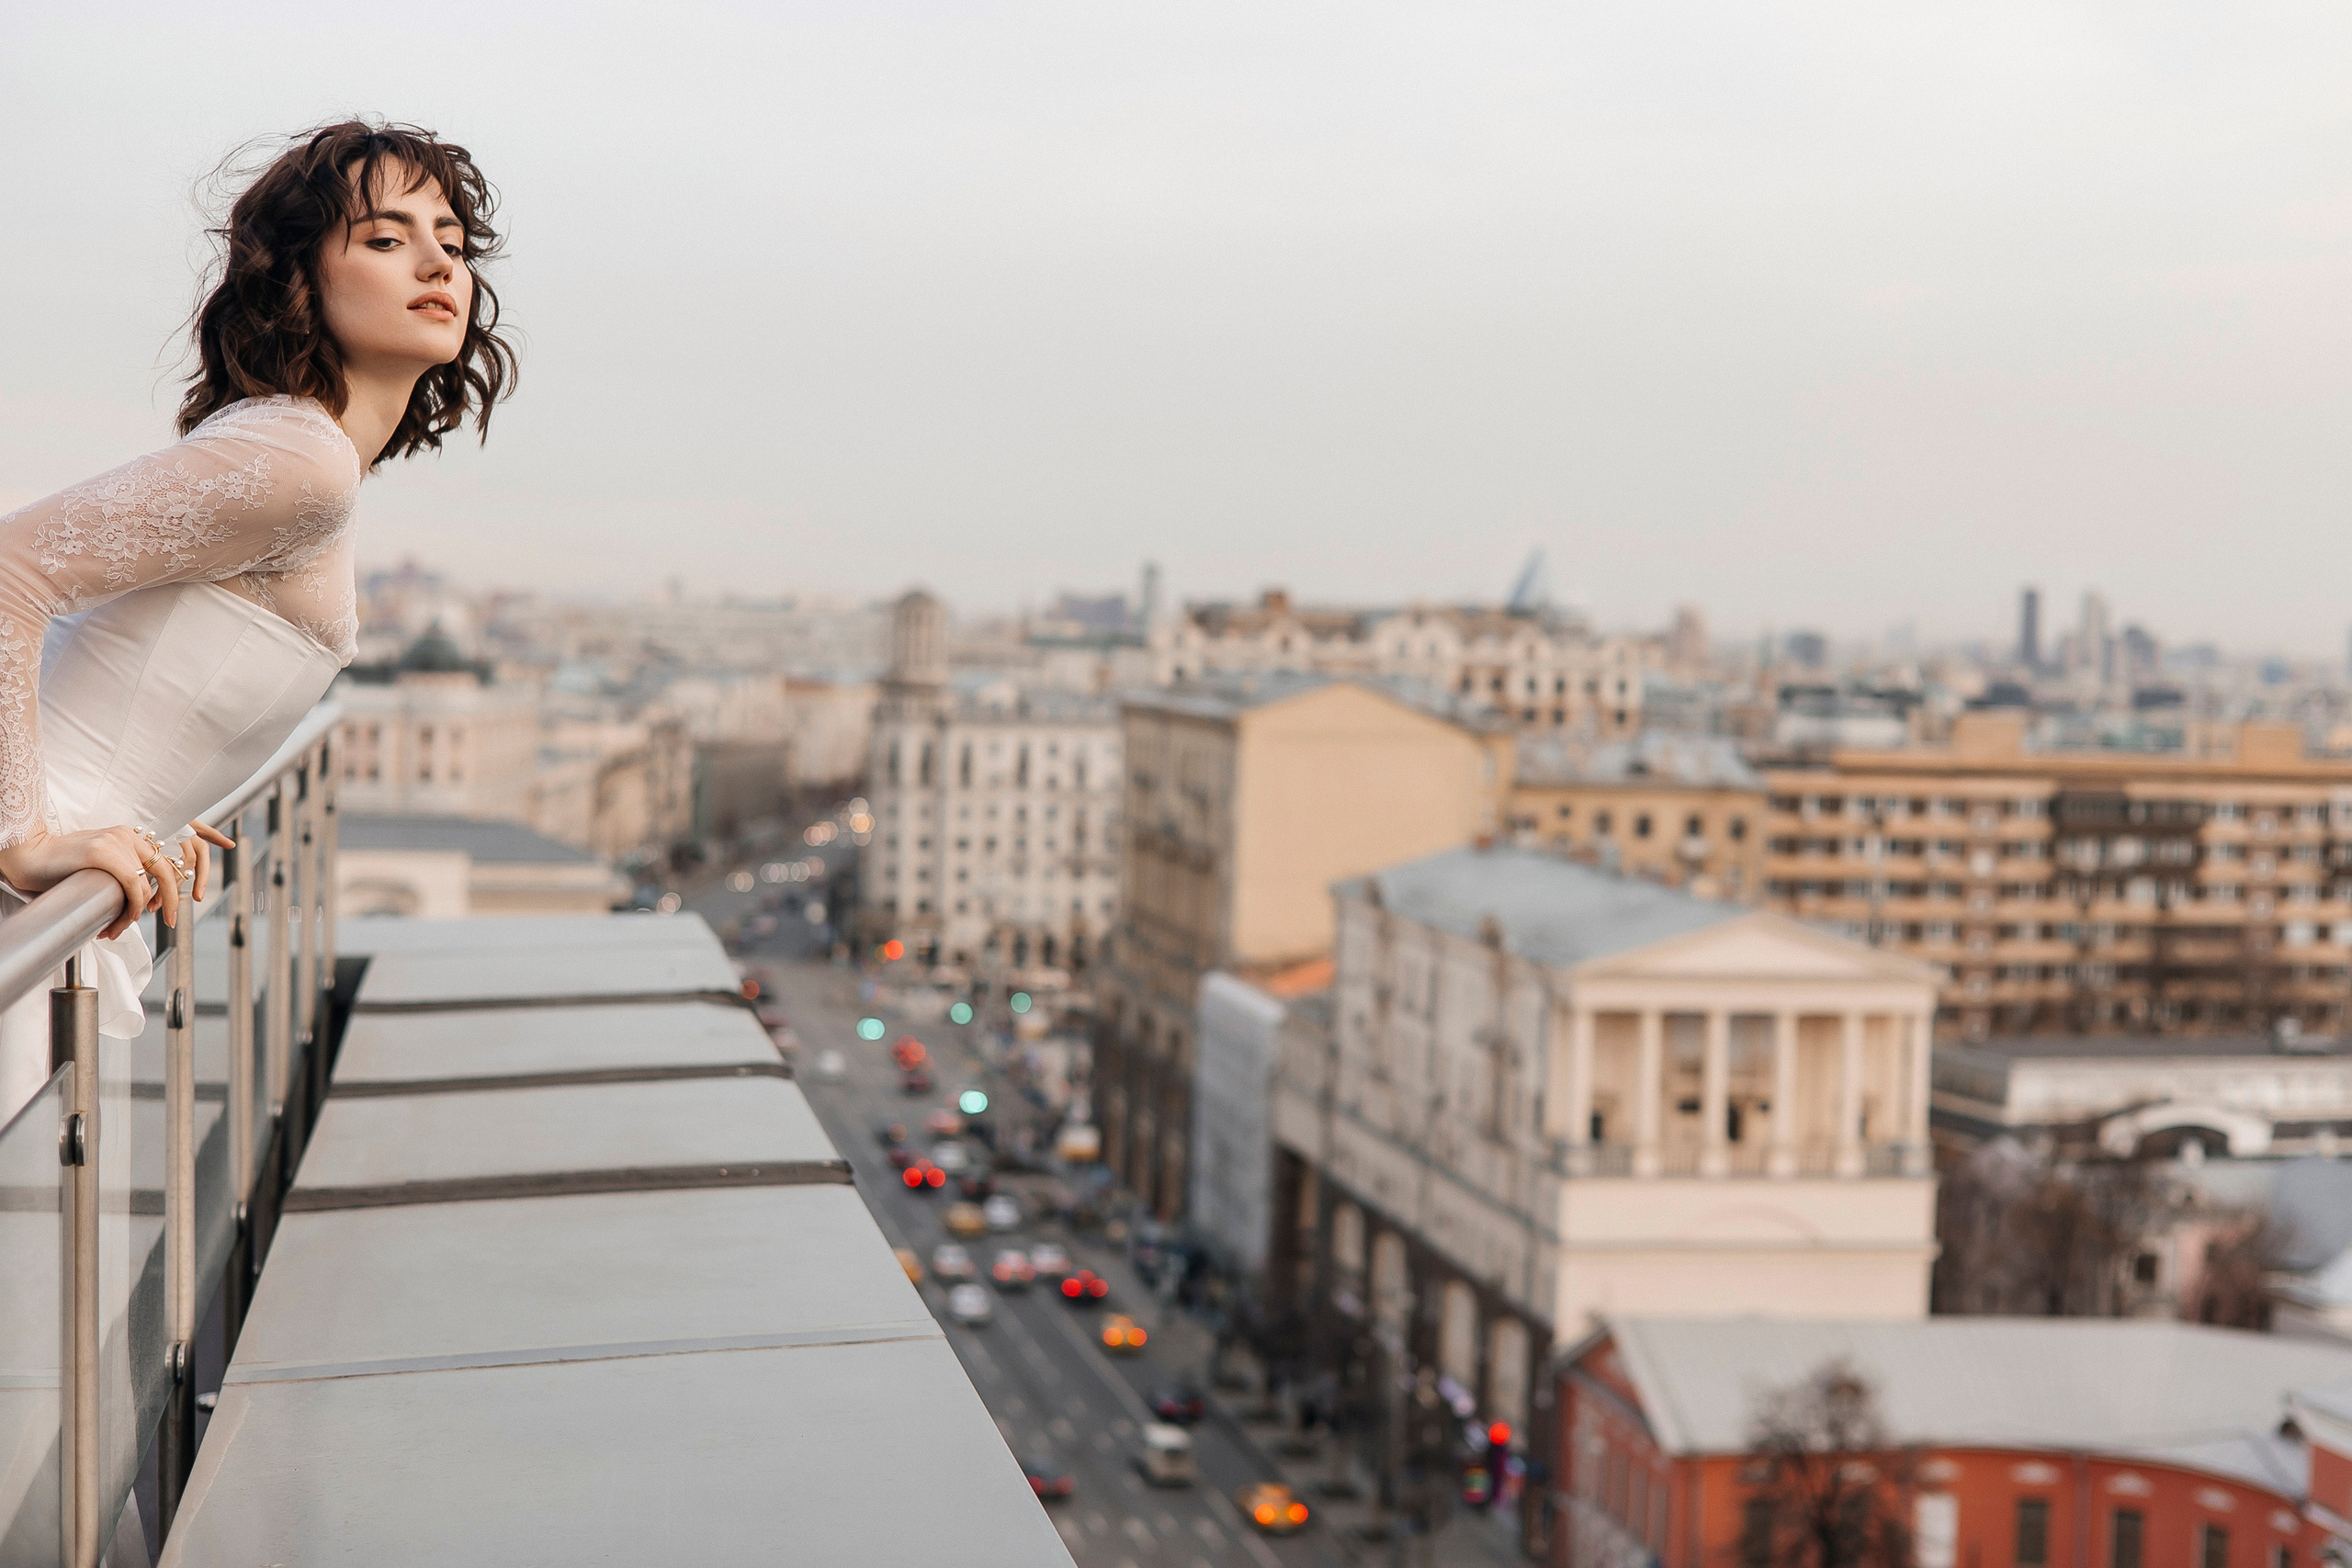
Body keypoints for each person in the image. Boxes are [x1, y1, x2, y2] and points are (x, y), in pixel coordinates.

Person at [0, 120, 516, 1121]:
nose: (434, 262)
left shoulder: (300, 451)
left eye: (451, 241)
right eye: (384, 237)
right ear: (297, 275)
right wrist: (24, 830)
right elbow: (8, 569)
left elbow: (127, 646)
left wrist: (145, 787)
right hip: (26, 890)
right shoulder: (302, 460)